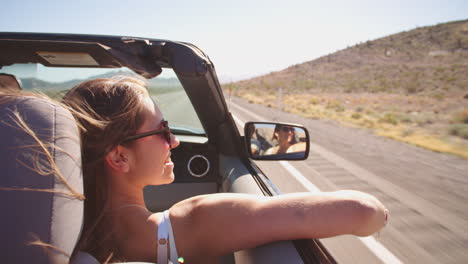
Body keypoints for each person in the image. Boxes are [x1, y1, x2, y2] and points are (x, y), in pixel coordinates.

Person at [61, 77, 389, 264]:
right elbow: (365, 212)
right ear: (119, 158)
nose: (174, 141)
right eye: (162, 131)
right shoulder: (196, 221)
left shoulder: (56, 237)